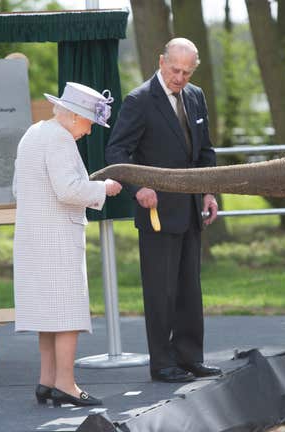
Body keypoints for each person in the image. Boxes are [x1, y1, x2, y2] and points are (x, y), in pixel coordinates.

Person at [105, 38, 221, 383]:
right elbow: (117, 152)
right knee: (161, 291)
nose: (180, 78)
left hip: (189, 210)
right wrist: (138, 187)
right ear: (161, 61)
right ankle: (162, 363)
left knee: (189, 288)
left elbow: (204, 153)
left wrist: (208, 192)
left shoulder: (196, 96)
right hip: (155, 213)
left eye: (187, 72)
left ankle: (190, 358)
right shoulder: (139, 101)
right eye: (175, 70)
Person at [12, 82, 122, 406]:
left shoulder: (34, 132)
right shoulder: (60, 138)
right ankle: (66, 384)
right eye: (90, 122)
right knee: (67, 315)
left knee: (48, 314)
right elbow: (69, 190)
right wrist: (104, 188)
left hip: (34, 236)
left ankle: (46, 381)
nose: (89, 131)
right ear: (74, 116)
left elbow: (19, 187)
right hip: (57, 238)